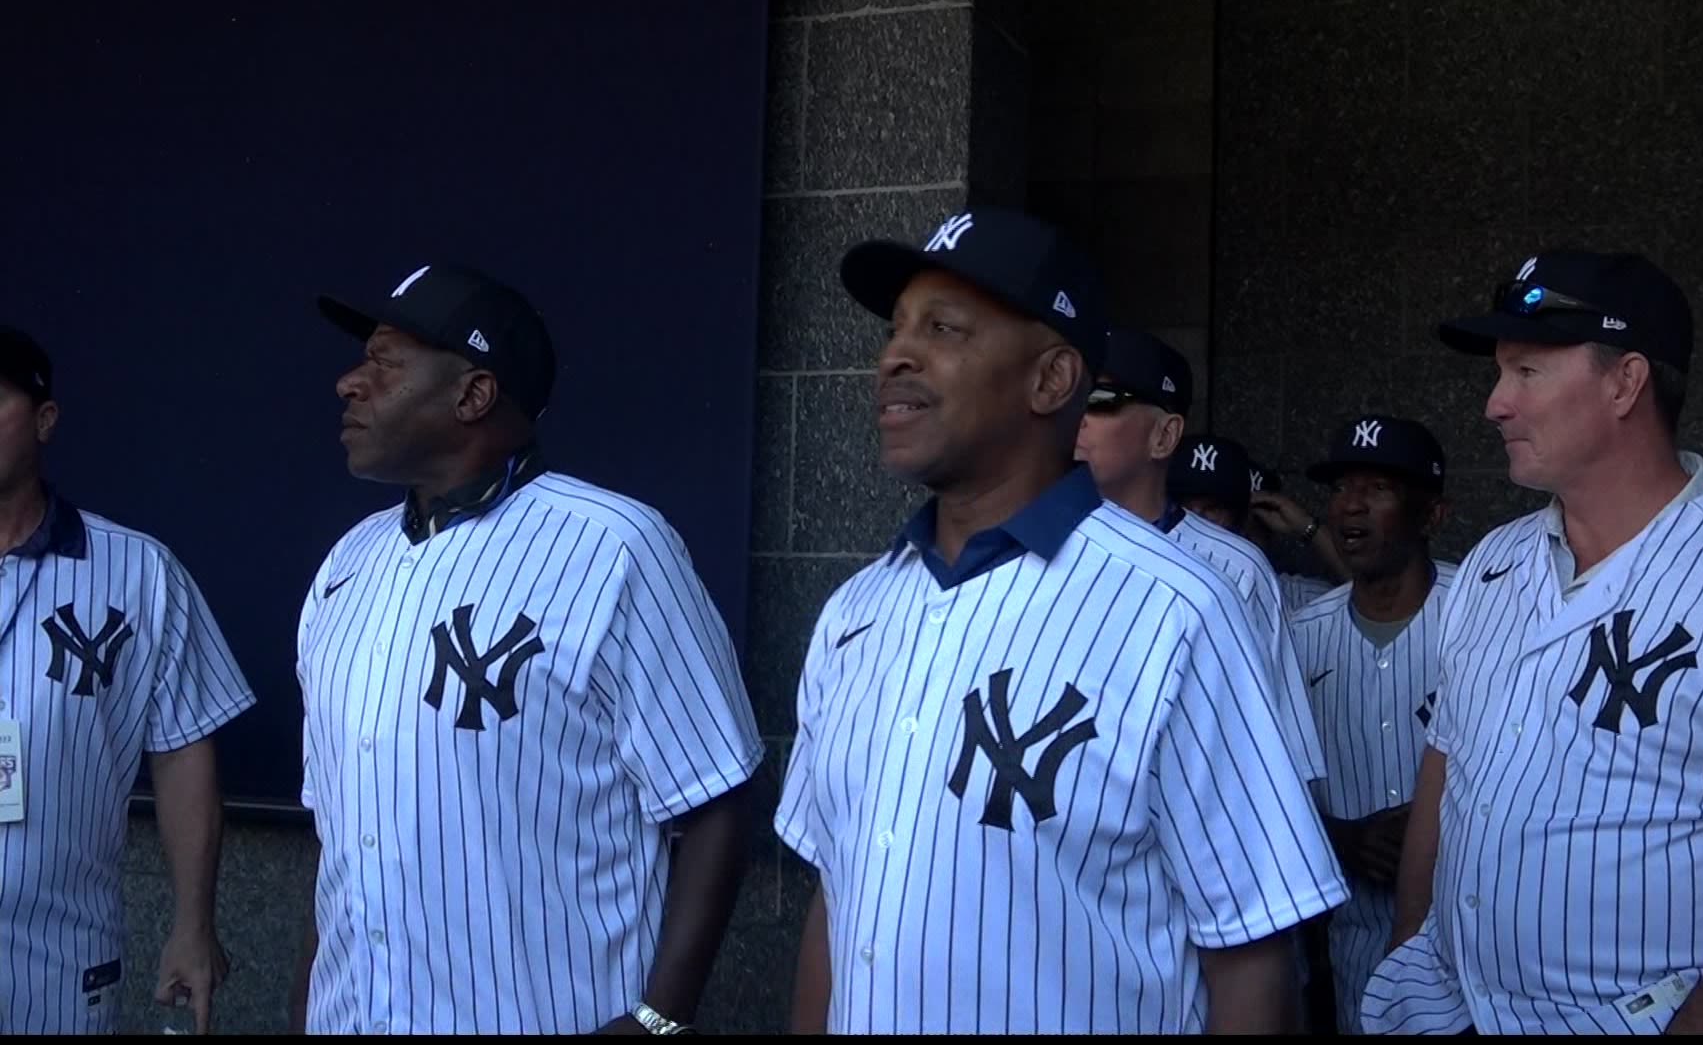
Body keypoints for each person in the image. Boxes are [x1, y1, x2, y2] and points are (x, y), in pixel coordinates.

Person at [776, 207, 1348, 1034]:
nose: (895, 356)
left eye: (944, 328)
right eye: (897, 328)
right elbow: (840, 895)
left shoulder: (1174, 612)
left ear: (1050, 380)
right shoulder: (854, 612)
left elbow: (1253, 952)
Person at [1364, 251, 1703, 1034]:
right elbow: (1448, 773)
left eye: (1527, 371)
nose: (1495, 404)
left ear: (1626, 381)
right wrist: (1412, 961)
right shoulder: (1491, 563)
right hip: (1450, 1012)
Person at [291, 264, 762, 1035]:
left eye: (383, 361)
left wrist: (658, 1019)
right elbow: (339, 834)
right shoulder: (348, 563)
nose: (350, 383)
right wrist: (308, 1001)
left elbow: (715, 798)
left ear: (473, 395)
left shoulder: (616, 547)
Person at [0, 328, 254, 1035]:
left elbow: (180, 752)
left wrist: (193, 923)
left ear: (45, 420)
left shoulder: (138, 571)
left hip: (54, 958)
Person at [1075, 326, 1326, 787]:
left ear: (1164, 435)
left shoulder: (1236, 568)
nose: (1076, 415)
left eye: (1101, 398)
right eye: (1069, 394)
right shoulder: (1024, 549)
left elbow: (1284, 750)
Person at [1285, 414, 1455, 1034]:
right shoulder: (1298, 638)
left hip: (1478, 950)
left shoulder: (1487, 617)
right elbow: (1264, 792)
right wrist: (1340, 840)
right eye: (1339, 489)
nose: (1349, 506)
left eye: (1377, 489)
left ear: (1432, 515)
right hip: (1354, 955)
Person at [1168, 434, 1337, 611]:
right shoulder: (1148, 580)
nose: (1196, 520)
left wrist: (1308, 528)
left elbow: (1365, 605)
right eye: (1183, 507)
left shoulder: (1292, 596)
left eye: (1213, 508)